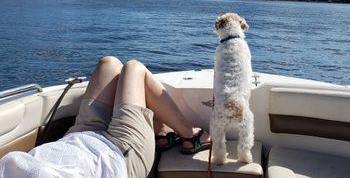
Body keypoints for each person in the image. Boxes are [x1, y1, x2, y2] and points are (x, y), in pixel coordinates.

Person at [0, 56, 210, 178]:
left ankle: (160, 132)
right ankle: (190, 135)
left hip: (77, 138)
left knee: (108, 64)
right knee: (134, 69)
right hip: (119, 156)